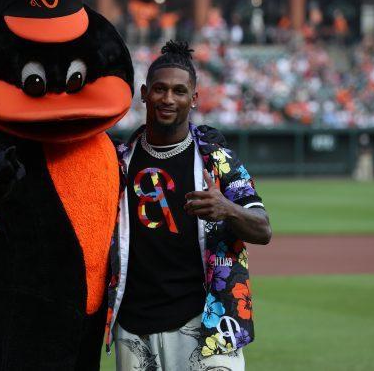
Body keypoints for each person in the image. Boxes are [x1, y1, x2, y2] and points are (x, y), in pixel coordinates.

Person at [105, 41, 272, 370]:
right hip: (135, 325)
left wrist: (227, 208)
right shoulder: (118, 163)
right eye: (160, 89)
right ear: (143, 93)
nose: (168, 99)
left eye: (179, 91)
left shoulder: (217, 160)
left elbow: (263, 228)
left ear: (193, 99)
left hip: (209, 323)